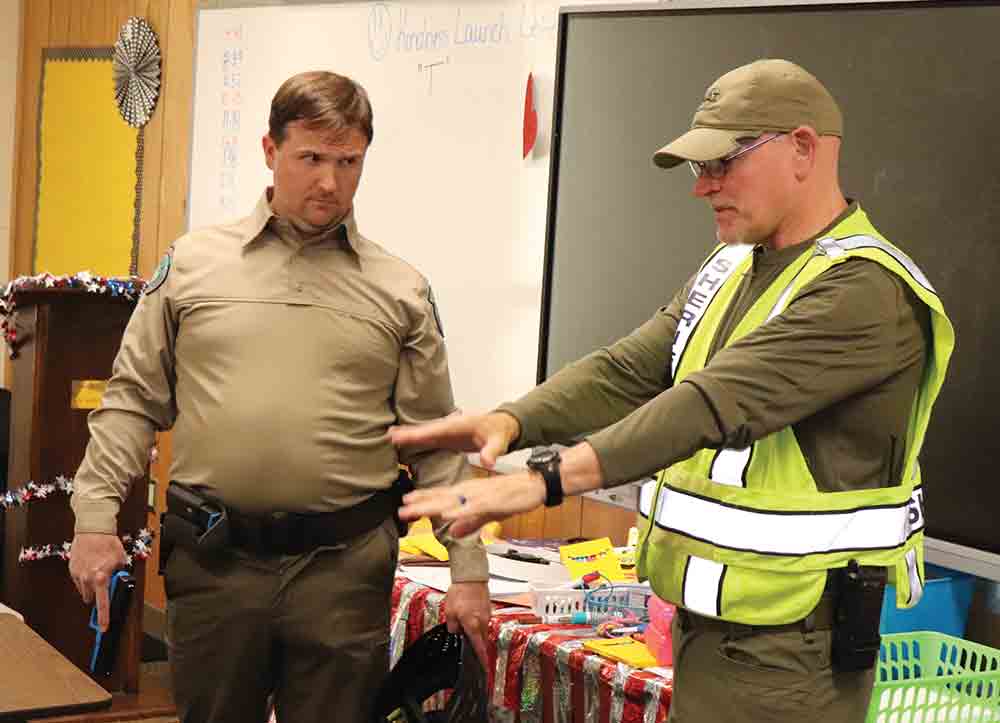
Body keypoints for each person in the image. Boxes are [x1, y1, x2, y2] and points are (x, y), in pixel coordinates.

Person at [391, 59, 954, 721]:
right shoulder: (731, 265)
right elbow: (631, 369)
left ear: (802, 149)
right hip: (702, 636)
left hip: (792, 656)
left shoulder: (863, 291)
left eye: (723, 162)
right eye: (698, 167)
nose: (704, 187)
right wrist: (512, 421)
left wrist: (541, 481)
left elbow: (711, 403)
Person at [67, 70, 491, 723]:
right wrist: (95, 519)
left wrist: (468, 567)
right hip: (216, 565)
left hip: (343, 573)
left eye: (348, 161)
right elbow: (132, 401)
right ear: (270, 150)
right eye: (311, 158)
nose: (329, 180)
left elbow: (435, 439)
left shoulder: (401, 289)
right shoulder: (193, 265)